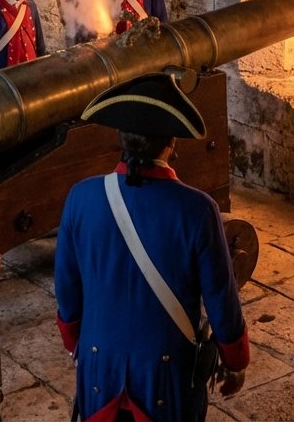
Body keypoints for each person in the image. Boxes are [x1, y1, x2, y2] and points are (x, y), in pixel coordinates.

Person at [54, 72, 250, 421]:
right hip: (167, 377)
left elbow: (67, 293)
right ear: (171, 143)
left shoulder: (80, 197)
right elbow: (221, 300)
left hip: (100, 367)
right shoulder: (198, 209)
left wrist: (77, 343)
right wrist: (235, 361)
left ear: (121, 138)